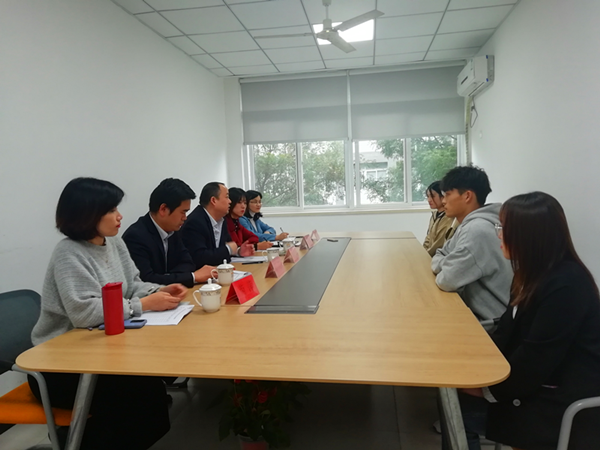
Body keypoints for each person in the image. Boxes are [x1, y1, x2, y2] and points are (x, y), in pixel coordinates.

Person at [30, 177, 188, 450]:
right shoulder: (68, 253)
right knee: (137, 399)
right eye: (112, 210)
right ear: (87, 213)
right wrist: (144, 304)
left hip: (99, 352)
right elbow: (85, 313)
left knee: (150, 394)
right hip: (61, 364)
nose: (119, 216)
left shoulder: (113, 243)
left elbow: (133, 284)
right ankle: (78, 441)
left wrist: (160, 290)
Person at [445, 192, 600, 450]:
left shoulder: (567, 285)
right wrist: (473, 363)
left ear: (529, 236)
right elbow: (506, 332)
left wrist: (487, 389)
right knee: (452, 397)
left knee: (458, 407)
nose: (498, 235)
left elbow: (536, 359)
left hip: (562, 397)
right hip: (534, 382)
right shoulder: (530, 275)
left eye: (503, 228)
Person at [431, 165, 512, 321]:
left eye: (447, 194)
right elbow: (440, 253)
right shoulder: (469, 225)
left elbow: (446, 280)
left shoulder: (476, 230)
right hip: (476, 313)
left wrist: (448, 265)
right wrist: (450, 263)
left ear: (467, 196)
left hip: (491, 324)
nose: (443, 201)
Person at [122, 178, 214, 288]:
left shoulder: (173, 230)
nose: (185, 218)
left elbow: (188, 263)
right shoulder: (135, 237)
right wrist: (193, 277)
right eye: (183, 212)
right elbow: (146, 280)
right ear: (163, 209)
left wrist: (167, 277)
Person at [181, 182, 253, 268]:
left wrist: (238, 251)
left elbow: (224, 248)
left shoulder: (221, 220)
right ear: (213, 200)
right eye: (227, 197)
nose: (230, 201)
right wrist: (228, 249)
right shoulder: (195, 222)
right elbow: (199, 258)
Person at [423, 181, 456, 256]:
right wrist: (422, 251)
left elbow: (439, 244)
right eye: (428, 196)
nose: (429, 200)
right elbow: (428, 238)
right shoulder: (434, 214)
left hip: (437, 257)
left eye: (433, 196)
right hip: (429, 256)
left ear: (443, 196)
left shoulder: (448, 217)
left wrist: (425, 256)